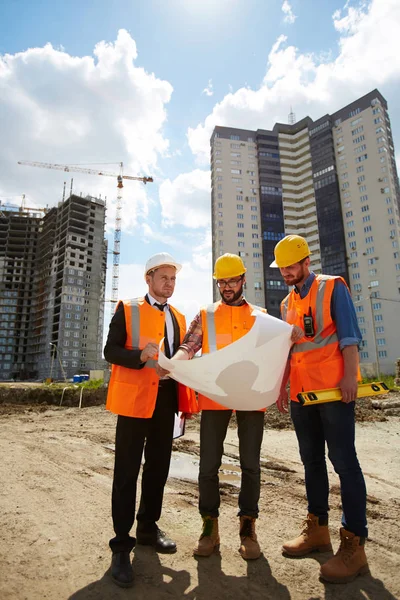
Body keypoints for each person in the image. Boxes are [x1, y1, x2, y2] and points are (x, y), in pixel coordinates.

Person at [164, 253, 300, 561]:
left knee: (250, 464)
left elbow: (278, 346)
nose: (227, 287)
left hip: (251, 397)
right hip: (215, 396)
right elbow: (190, 346)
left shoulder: (261, 316)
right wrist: (174, 364)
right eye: (221, 282)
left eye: (232, 281)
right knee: (208, 465)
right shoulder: (206, 315)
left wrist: (290, 337)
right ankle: (209, 527)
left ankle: (247, 527)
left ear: (243, 280)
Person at [272, 234, 369, 584]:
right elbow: (290, 350)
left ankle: (354, 543)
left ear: (306, 262)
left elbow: (349, 335)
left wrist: (349, 378)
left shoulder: (332, 288)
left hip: (332, 391)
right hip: (301, 395)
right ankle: (317, 530)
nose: (286, 273)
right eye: (281, 268)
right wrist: (282, 385)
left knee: (343, 462)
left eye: (291, 267)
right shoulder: (286, 304)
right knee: (311, 461)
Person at [104, 252, 197, 588]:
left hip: (166, 401)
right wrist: (138, 355)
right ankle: (120, 545)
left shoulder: (180, 317)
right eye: (163, 278)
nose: (169, 284)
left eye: (173, 279)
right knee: (126, 472)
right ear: (149, 279)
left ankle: (147, 528)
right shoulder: (127, 309)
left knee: (158, 468)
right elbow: (110, 351)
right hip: (133, 402)